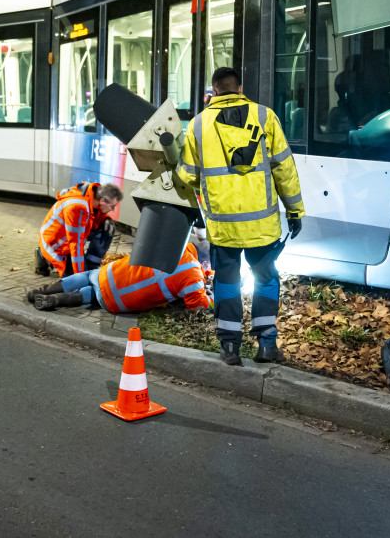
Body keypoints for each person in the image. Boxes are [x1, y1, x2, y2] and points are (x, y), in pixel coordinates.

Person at [176, 67, 305, 366]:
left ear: (214, 91)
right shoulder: (264, 116)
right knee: (266, 279)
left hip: (224, 227)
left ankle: (230, 348)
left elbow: (188, 176)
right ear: (240, 87)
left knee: (227, 282)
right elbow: (284, 168)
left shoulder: (198, 125)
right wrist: (295, 210)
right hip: (262, 226)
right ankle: (267, 346)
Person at [28, 243, 212, 314]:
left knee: (88, 277)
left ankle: (41, 292)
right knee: (94, 295)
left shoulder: (175, 248)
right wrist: (211, 297)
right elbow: (198, 305)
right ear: (204, 263)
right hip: (118, 303)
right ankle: (55, 300)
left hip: (109, 274)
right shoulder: (194, 277)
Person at [35, 181, 122, 277]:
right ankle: (43, 255)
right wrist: (80, 277)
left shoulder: (93, 196)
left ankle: (91, 265)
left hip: (70, 237)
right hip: (55, 245)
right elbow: (76, 245)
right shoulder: (76, 207)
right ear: (102, 200)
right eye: (112, 206)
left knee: (107, 227)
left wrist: (105, 218)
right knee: (72, 277)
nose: (113, 210)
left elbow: (94, 215)